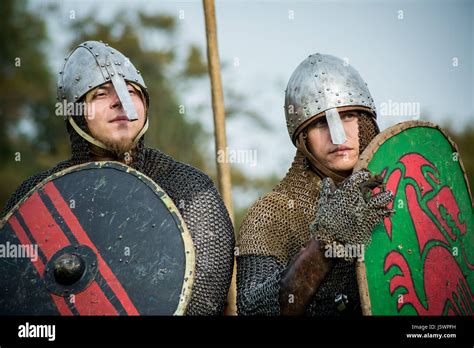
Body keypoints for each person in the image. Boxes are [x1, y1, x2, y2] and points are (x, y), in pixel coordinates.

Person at [1, 40, 235, 315]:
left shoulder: (189, 189)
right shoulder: (38, 196)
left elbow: (203, 296)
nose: (119, 102)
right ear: (75, 112)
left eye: (131, 91)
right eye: (100, 94)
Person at [236, 53, 394, 315]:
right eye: (321, 122)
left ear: (366, 122)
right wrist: (324, 245)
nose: (337, 135)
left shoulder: (401, 192)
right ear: (303, 138)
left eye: (348, 116)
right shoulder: (272, 213)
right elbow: (254, 310)